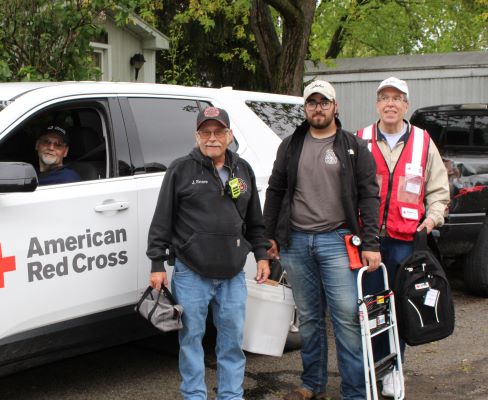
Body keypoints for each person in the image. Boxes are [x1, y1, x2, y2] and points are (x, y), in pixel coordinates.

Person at [264, 80, 381, 400]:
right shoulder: (290, 145)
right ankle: (311, 385)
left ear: (335, 106)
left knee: (345, 317)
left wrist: (370, 242)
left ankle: (355, 391)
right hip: (296, 243)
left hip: (338, 242)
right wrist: (269, 236)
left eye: (324, 102)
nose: (318, 107)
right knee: (310, 318)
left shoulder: (353, 147)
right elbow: (275, 191)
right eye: (312, 102)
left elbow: (369, 196)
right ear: (305, 108)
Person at [147, 106, 270, 400]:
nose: (211, 138)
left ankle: (231, 395)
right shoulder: (180, 169)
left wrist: (263, 255)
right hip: (192, 273)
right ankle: (194, 395)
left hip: (232, 275)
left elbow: (254, 220)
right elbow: (161, 220)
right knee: (190, 339)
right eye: (205, 132)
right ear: (197, 136)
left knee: (231, 342)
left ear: (229, 136)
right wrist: (157, 263)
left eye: (218, 132)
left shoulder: (243, 171)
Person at [357, 77, 450, 397]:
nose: (390, 103)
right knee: (370, 308)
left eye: (397, 98)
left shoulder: (424, 142)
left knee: (399, 309)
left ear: (406, 105)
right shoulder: (362, 140)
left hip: (405, 242)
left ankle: (394, 369)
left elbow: (439, 192)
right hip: (368, 242)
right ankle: (372, 367)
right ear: (377, 104)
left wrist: (431, 219)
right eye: (384, 97)